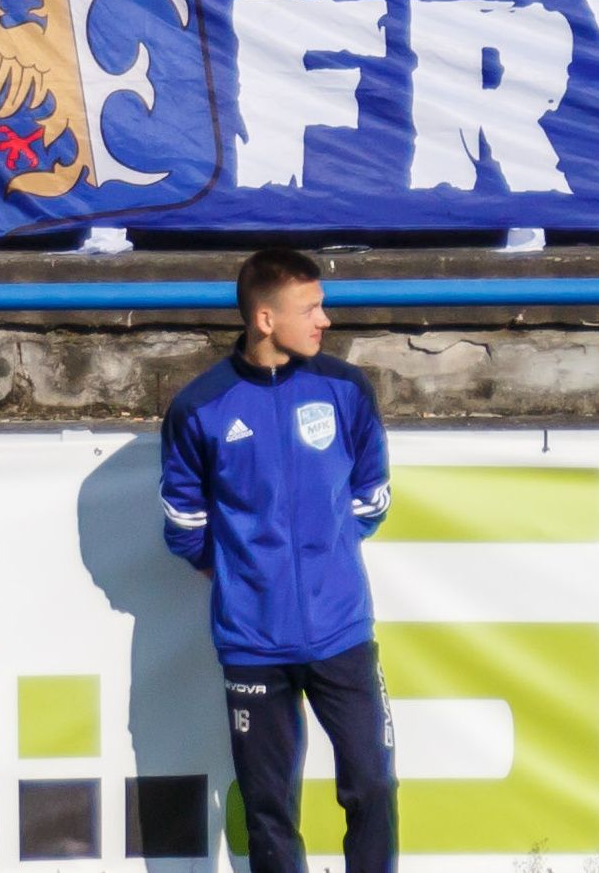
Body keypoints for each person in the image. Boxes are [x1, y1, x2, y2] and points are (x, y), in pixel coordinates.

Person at [161, 248, 395, 873]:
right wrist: (242, 574)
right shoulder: (200, 407)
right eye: (310, 308)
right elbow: (184, 522)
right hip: (253, 643)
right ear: (265, 319)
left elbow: (371, 495)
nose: (325, 319)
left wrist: (327, 558)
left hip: (342, 633)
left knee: (372, 786)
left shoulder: (345, 388)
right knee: (269, 810)